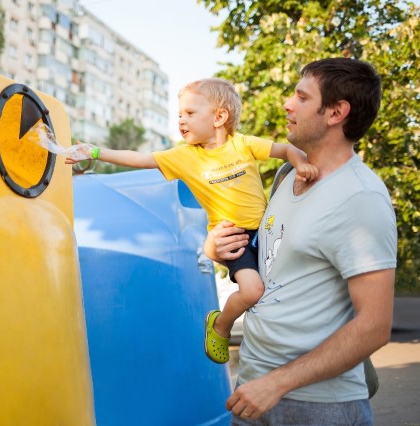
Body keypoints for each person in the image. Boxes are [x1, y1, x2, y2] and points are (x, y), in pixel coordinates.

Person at [66, 77, 318, 364]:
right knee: (252, 290)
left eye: (189, 114)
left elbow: (285, 150)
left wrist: (302, 163)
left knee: (282, 288)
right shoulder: (184, 156)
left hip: (267, 232)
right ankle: (221, 325)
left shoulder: (242, 145)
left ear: (219, 117)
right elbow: (140, 158)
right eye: (179, 115)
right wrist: (96, 152)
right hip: (233, 239)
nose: (181, 121)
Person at [203, 58, 397, 424]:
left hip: (318, 405)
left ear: (336, 112)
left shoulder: (360, 198)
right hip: (254, 388)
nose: (287, 104)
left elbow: (374, 325)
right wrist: (216, 248)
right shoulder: (286, 173)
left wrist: (277, 383)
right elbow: (267, 258)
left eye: (302, 97)